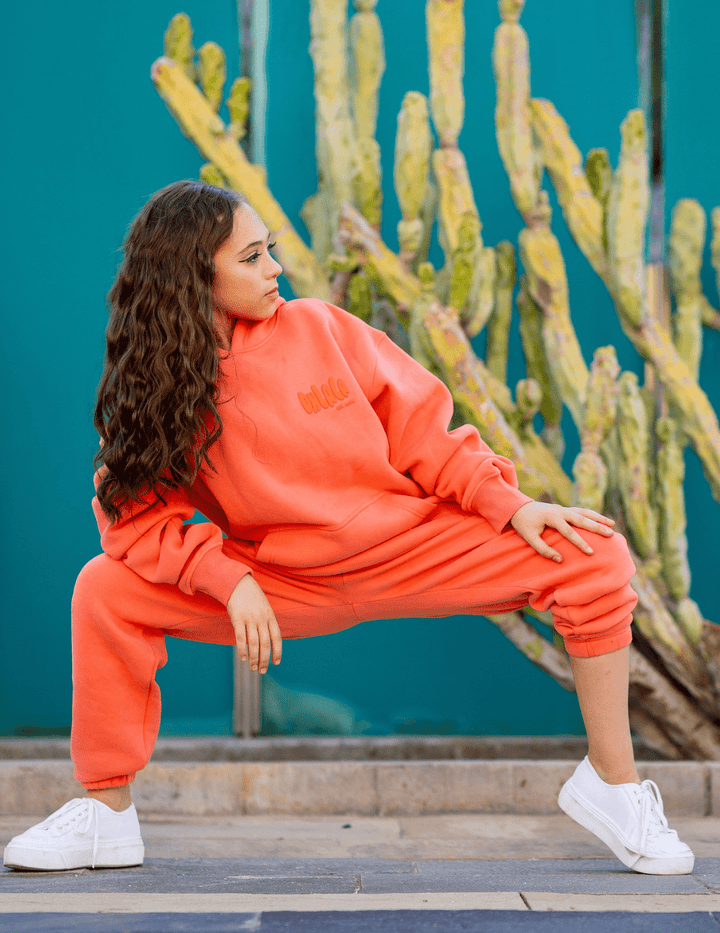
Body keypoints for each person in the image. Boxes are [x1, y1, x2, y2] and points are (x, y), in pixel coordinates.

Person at [3, 181, 693, 876]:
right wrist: (226, 576)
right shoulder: (164, 384)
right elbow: (132, 517)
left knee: (593, 553)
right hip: (281, 582)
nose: (275, 267)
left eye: (270, 249)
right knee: (105, 589)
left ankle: (612, 781)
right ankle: (107, 816)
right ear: (195, 276)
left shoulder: (322, 328)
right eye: (252, 257)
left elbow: (427, 431)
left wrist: (510, 504)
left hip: (410, 548)